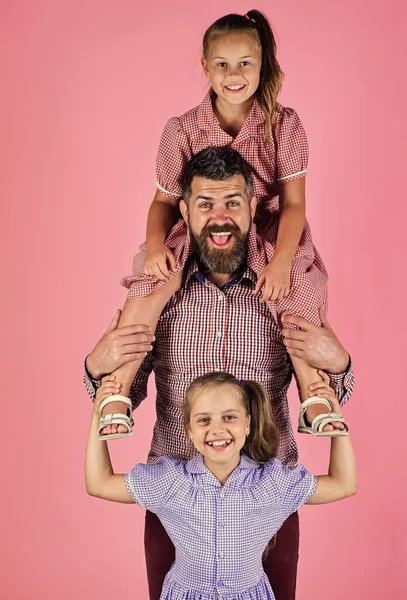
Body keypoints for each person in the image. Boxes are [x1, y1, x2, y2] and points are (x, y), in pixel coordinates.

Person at [84, 145, 355, 599]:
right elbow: (120, 391)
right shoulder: (161, 289)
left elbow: (328, 396)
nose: (220, 217)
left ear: (252, 206)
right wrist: (97, 365)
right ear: (185, 210)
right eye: (205, 204)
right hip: (176, 502)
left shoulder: (282, 288)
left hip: (266, 499)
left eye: (232, 202)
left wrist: (340, 361)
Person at [98, 9, 343, 439]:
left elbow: (294, 204)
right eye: (223, 64)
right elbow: (163, 201)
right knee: (150, 283)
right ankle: (117, 387)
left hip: (267, 228)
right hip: (194, 231)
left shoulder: (283, 125)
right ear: (205, 67)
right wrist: (156, 245)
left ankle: (315, 392)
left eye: (245, 63)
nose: (234, 74)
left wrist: (283, 260)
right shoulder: (182, 128)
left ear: (262, 63)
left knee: (298, 294)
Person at [86, 370, 357, 600]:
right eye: (204, 420)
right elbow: (99, 484)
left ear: (248, 424)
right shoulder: (169, 481)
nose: (217, 430)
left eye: (229, 417)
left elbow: (343, 484)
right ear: (189, 430)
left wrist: (336, 420)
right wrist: (98, 415)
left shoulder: (272, 482)